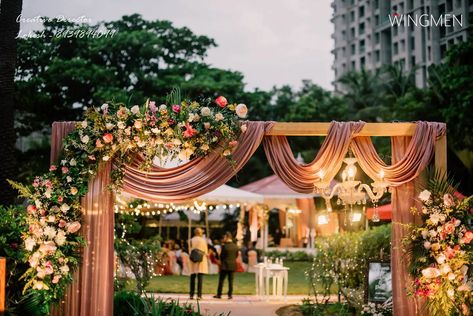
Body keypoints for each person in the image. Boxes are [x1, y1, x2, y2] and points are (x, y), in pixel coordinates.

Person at [213, 232, 239, 299]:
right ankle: (230, 295)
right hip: (232, 265)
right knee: (231, 281)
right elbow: (236, 255)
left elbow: (222, 256)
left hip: (224, 265)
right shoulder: (235, 246)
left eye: (224, 237)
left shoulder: (224, 246)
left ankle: (219, 294)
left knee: (221, 280)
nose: (224, 238)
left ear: (227, 237)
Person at [189, 227, 208, 300]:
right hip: (201, 259)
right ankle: (199, 295)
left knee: (192, 277)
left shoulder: (191, 240)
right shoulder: (203, 240)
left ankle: (191, 294)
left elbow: (189, 250)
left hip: (193, 259)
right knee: (200, 278)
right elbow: (205, 251)